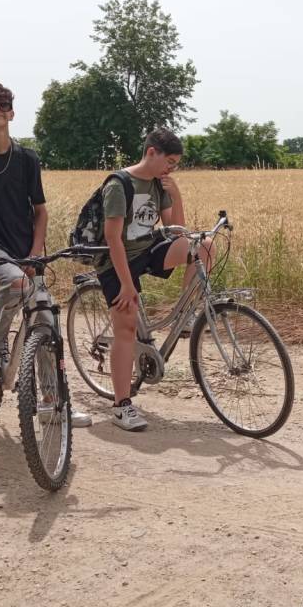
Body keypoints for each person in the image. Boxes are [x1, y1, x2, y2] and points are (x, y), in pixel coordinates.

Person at [0, 81, 91, 427]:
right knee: (16, 286)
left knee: (45, 319)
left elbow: (40, 211)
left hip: (27, 250)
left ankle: (52, 402)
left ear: (12, 112)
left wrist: (35, 253)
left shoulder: (26, 158)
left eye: (2, 103)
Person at [98, 128, 213, 432]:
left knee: (203, 247)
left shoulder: (158, 185)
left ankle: (187, 314)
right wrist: (126, 283)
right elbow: (112, 238)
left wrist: (175, 193)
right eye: (170, 162)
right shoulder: (119, 184)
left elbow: (177, 230)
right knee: (126, 326)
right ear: (152, 153)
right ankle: (122, 405)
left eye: (176, 164)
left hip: (146, 250)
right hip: (115, 258)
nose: (171, 169)